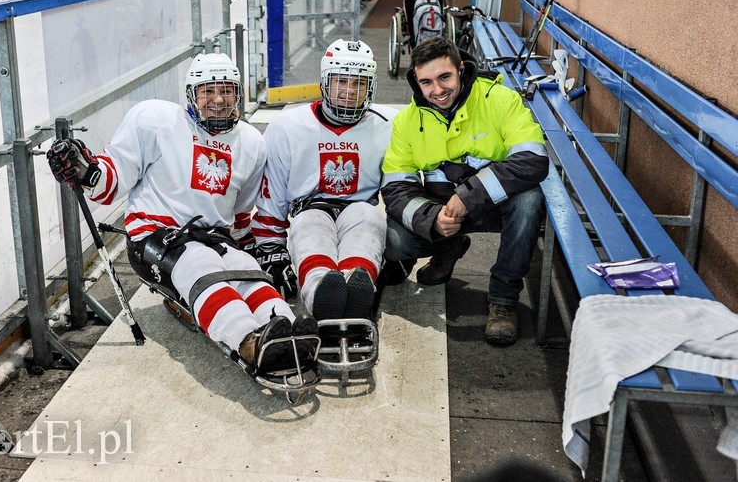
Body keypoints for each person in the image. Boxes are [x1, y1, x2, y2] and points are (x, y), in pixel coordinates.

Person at [46, 52, 318, 375]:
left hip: (216, 238)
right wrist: (89, 172)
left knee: (245, 268)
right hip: (155, 238)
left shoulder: (251, 142)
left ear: (238, 94)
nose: (218, 99)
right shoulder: (154, 120)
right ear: (191, 94)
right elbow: (113, 179)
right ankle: (250, 342)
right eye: (208, 91)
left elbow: (241, 214)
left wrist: (252, 250)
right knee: (198, 265)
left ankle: (286, 331)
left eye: (227, 91)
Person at [381, 37, 548, 345]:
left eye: (445, 77)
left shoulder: (500, 100)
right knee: (393, 240)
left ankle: (503, 299)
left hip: (495, 206)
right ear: (416, 82)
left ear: (460, 69)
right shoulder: (406, 121)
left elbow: (534, 161)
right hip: (445, 211)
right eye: (427, 82)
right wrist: (431, 219)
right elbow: (395, 188)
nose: (438, 90)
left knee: (529, 201)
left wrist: (470, 195)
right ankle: (448, 247)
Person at [251, 39, 395, 322]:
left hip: (359, 208)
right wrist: (272, 248)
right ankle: (321, 291)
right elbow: (273, 192)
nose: (349, 92)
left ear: (371, 87)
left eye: (359, 84)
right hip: (310, 208)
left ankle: (358, 284)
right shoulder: (288, 126)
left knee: (369, 219)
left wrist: (403, 248)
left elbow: (398, 187)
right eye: (341, 82)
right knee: (308, 227)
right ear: (325, 82)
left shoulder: (389, 124)